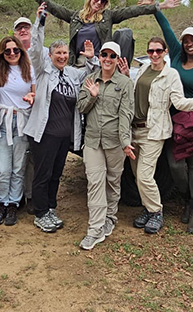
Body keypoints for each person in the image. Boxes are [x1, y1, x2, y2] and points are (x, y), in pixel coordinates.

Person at [128, 37, 193, 234]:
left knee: (145, 176)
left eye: (158, 51)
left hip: (154, 130)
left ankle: (156, 212)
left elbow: (179, 102)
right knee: (138, 175)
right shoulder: (143, 70)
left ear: (165, 53)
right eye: (151, 51)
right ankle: (147, 208)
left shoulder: (170, 75)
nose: (154, 54)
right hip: (134, 129)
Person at [24, 3, 96, 233]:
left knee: (56, 174)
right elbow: (35, 49)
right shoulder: (44, 71)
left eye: (65, 53)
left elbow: (89, 74)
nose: (62, 56)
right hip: (44, 134)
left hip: (64, 136)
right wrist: (40, 22)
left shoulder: (72, 74)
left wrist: (91, 58)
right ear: (51, 55)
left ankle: (50, 207)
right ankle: (40, 212)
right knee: (42, 174)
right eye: (58, 53)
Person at [151, 8, 193, 233]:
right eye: (186, 40)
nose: (189, 44)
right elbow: (166, 30)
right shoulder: (177, 56)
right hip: (173, 120)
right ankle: (189, 198)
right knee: (175, 164)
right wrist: (155, 8)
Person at [15, 0, 181, 66]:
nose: (99, 2)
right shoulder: (75, 17)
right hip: (79, 64)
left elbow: (133, 11)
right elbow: (52, 6)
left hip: (101, 63)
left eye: (103, 1)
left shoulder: (107, 17)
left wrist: (160, 6)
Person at [77, 41, 134, 250]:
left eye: (112, 56)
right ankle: (95, 229)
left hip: (114, 141)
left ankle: (110, 216)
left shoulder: (125, 83)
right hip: (93, 141)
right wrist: (93, 96)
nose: (107, 59)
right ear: (99, 57)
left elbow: (126, 114)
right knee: (94, 182)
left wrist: (126, 142)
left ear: (117, 59)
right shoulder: (90, 80)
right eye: (104, 55)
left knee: (112, 180)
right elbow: (81, 108)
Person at [0, 36, 35, 226]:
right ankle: (1, 202)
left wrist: (32, 95)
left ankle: (13, 204)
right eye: (7, 51)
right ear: (2, 53)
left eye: (15, 50)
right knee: (2, 168)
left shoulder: (29, 69)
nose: (11, 54)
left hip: (22, 120)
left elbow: (35, 91)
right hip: (4, 122)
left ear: (21, 51)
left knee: (18, 168)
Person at [12, 15, 48, 214]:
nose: (23, 31)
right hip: (16, 114)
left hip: (38, 111)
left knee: (35, 156)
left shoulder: (43, 53)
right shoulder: (10, 53)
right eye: (19, 29)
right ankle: (16, 198)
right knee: (17, 158)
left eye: (27, 27)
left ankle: (32, 195)